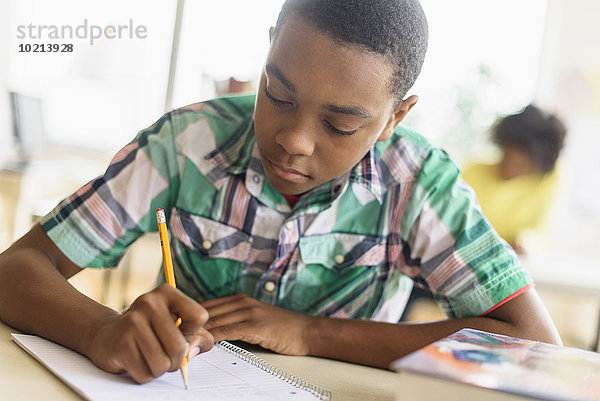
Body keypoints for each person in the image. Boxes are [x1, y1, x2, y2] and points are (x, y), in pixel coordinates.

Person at [0, 0, 561, 385]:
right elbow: (16, 267)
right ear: (269, 51)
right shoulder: (187, 142)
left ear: (396, 116)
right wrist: (100, 329)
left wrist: (310, 333)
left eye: (341, 125)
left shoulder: (418, 185)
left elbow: (534, 345)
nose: (292, 140)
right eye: (278, 93)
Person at [462, 105, 567, 254]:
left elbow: (539, 232)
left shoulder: (548, 179)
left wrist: (527, 242)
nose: (511, 168)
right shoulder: (473, 172)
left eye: (522, 165)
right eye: (508, 158)